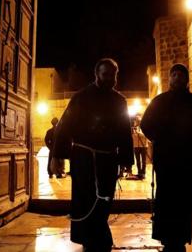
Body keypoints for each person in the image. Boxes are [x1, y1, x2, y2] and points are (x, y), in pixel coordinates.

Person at [52, 58, 134, 252]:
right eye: (106, 74)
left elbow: (124, 131)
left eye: (113, 75)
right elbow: (64, 126)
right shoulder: (81, 97)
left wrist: (126, 160)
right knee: (85, 200)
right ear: (97, 74)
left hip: (108, 160)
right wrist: (57, 156)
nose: (110, 79)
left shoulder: (119, 100)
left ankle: (97, 236)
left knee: (105, 198)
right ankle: (92, 239)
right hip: (84, 159)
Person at [140, 63, 192, 252]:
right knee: (166, 200)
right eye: (174, 75)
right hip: (166, 160)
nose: (177, 78)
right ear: (169, 79)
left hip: (187, 160)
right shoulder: (159, 101)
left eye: (181, 75)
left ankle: (180, 238)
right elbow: (146, 125)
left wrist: (187, 136)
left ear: (186, 79)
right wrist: (160, 137)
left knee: (185, 200)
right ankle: (167, 238)